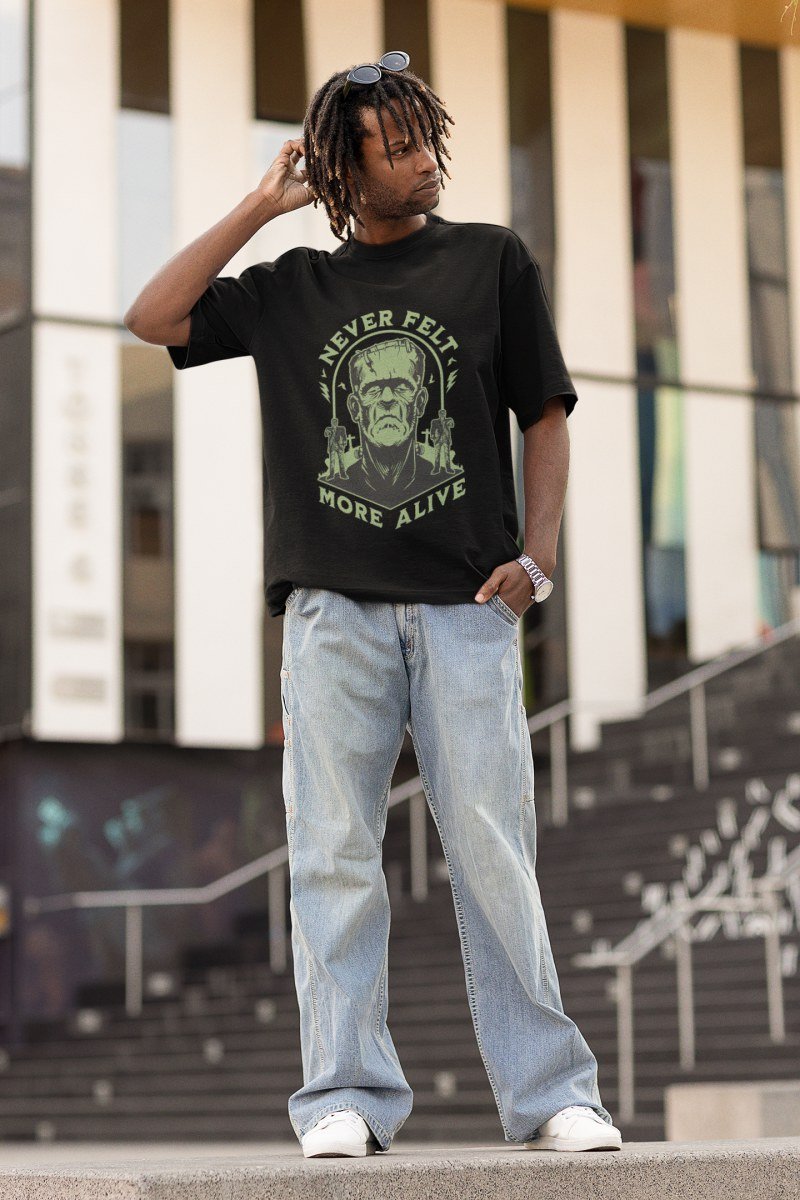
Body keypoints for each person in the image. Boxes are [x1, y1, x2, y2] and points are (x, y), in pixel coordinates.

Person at [124, 52, 623, 1160]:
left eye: (424, 138)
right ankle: (343, 1095)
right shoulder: (293, 288)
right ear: (344, 172)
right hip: (331, 615)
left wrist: (537, 561)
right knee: (333, 856)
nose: (424, 159)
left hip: (464, 606)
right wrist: (261, 205)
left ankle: (551, 1094)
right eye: (395, 147)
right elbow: (152, 316)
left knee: (494, 852)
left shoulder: (492, 260)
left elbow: (545, 415)